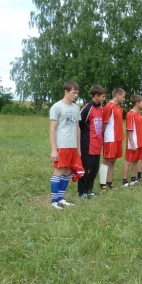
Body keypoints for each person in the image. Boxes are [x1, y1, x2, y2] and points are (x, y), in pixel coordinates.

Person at [49, 81, 82, 210]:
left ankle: (61, 198)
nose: (76, 95)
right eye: (74, 92)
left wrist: (78, 147)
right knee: (60, 170)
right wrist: (53, 149)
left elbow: (78, 128)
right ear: (66, 92)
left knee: (68, 170)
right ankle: (54, 200)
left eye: (77, 93)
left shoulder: (76, 108)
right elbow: (52, 129)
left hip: (73, 145)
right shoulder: (57, 107)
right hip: (61, 144)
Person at [78, 85, 105, 199]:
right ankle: (82, 192)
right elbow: (79, 125)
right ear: (96, 96)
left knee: (94, 169)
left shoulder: (100, 109)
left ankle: (89, 189)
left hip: (97, 145)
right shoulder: (87, 108)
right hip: (87, 144)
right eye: (102, 96)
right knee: (86, 169)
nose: (104, 98)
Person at [99, 88, 126, 193]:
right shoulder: (109, 107)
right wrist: (102, 138)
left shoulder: (119, 107)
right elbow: (104, 124)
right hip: (110, 138)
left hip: (118, 138)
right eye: (123, 96)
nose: (124, 99)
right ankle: (103, 185)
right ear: (117, 95)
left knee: (113, 161)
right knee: (107, 160)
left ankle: (109, 183)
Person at [122, 95, 142, 187]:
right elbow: (129, 130)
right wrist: (132, 143)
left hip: (139, 142)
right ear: (137, 103)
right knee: (128, 161)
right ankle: (124, 180)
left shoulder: (138, 114)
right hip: (133, 143)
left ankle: (133, 178)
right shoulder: (130, 114)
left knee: (135, 160)